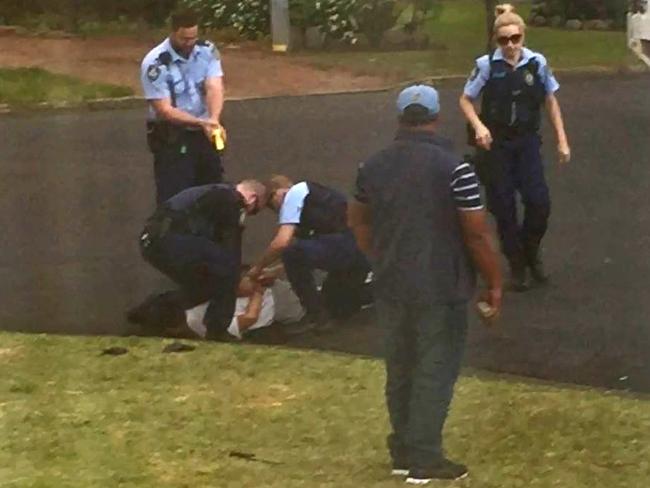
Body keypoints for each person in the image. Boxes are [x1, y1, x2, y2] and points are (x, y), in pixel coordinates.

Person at [348, 84, 503, 484]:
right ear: (435, 117)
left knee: (401, 368)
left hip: (391, 283)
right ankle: (425, 458)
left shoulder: (372, 166)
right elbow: (476, 234)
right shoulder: (456, 169)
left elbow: (358, 221)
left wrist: (379, 257)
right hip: (440, 285)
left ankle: (402, 450)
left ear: (400, 117)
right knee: (435, 369)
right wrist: (494, 282)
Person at [459, 8, 571, 290]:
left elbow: (550, 100)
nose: (510, 45)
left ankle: (531, 250)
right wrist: (479, 127)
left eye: (515, 38)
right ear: (497, 41)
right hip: (497, 144)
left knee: (539, 202)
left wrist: (562, 139)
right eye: (504, 40)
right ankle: (517, 263)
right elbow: (466, 100)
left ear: (523, 37)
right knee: (504, 207)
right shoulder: (486, 66)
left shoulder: (537, 63)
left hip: (527, 141)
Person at [134, 180, 267, 340]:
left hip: (152, 241)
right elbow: (230, 247)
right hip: (172, 238)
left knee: (205, 284)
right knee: (228, 270)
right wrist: (239, 274)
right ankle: (217, 330)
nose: (248, 214)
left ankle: (152, 311)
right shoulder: (231, 199)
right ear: (252, 198)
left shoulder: (213, 192)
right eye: (254, 211)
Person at [248, 175, 370, 332]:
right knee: (336, 305)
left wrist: (257, 268)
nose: (277, 209)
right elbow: (305, 255)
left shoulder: (295, 193)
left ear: (279, 191)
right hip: (357, 251)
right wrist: (274, 271)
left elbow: (282, 243)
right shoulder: (313, 208)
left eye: (272, 203)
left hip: (348, 247)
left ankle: (315, 316)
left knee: (291, 252)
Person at [140, 9, 227, 203]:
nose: (189, 44)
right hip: (173, 136)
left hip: (205, 132)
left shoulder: (207, 50)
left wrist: (213, 119)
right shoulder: (155, 63)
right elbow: (165, 110)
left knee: (213, 192)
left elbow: (214, 86)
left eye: (193, 38)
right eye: (184, 39)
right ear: (172, 32)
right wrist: (201, 122)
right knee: (175, 197)